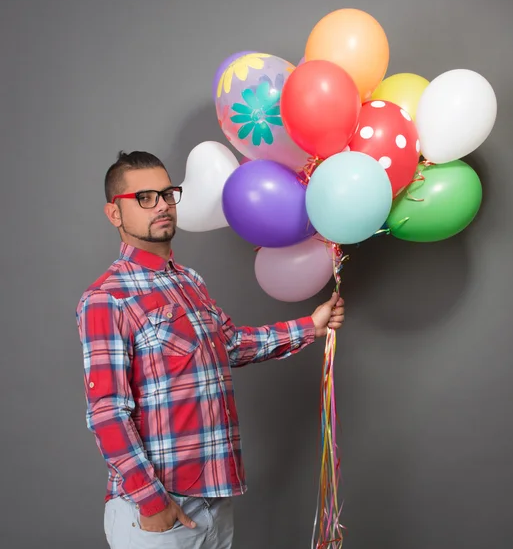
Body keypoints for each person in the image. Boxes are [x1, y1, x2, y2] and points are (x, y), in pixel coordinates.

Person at [75, 151, 345, 549]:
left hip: (216, 501)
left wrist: (310, 327)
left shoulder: (190, 281)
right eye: (145, 198)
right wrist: (152, 503)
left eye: (168, 193)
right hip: (160, 510)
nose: (163, 205)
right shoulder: (107, 298)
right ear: (115, 213)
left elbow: (230, 345)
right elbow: (107, 414)